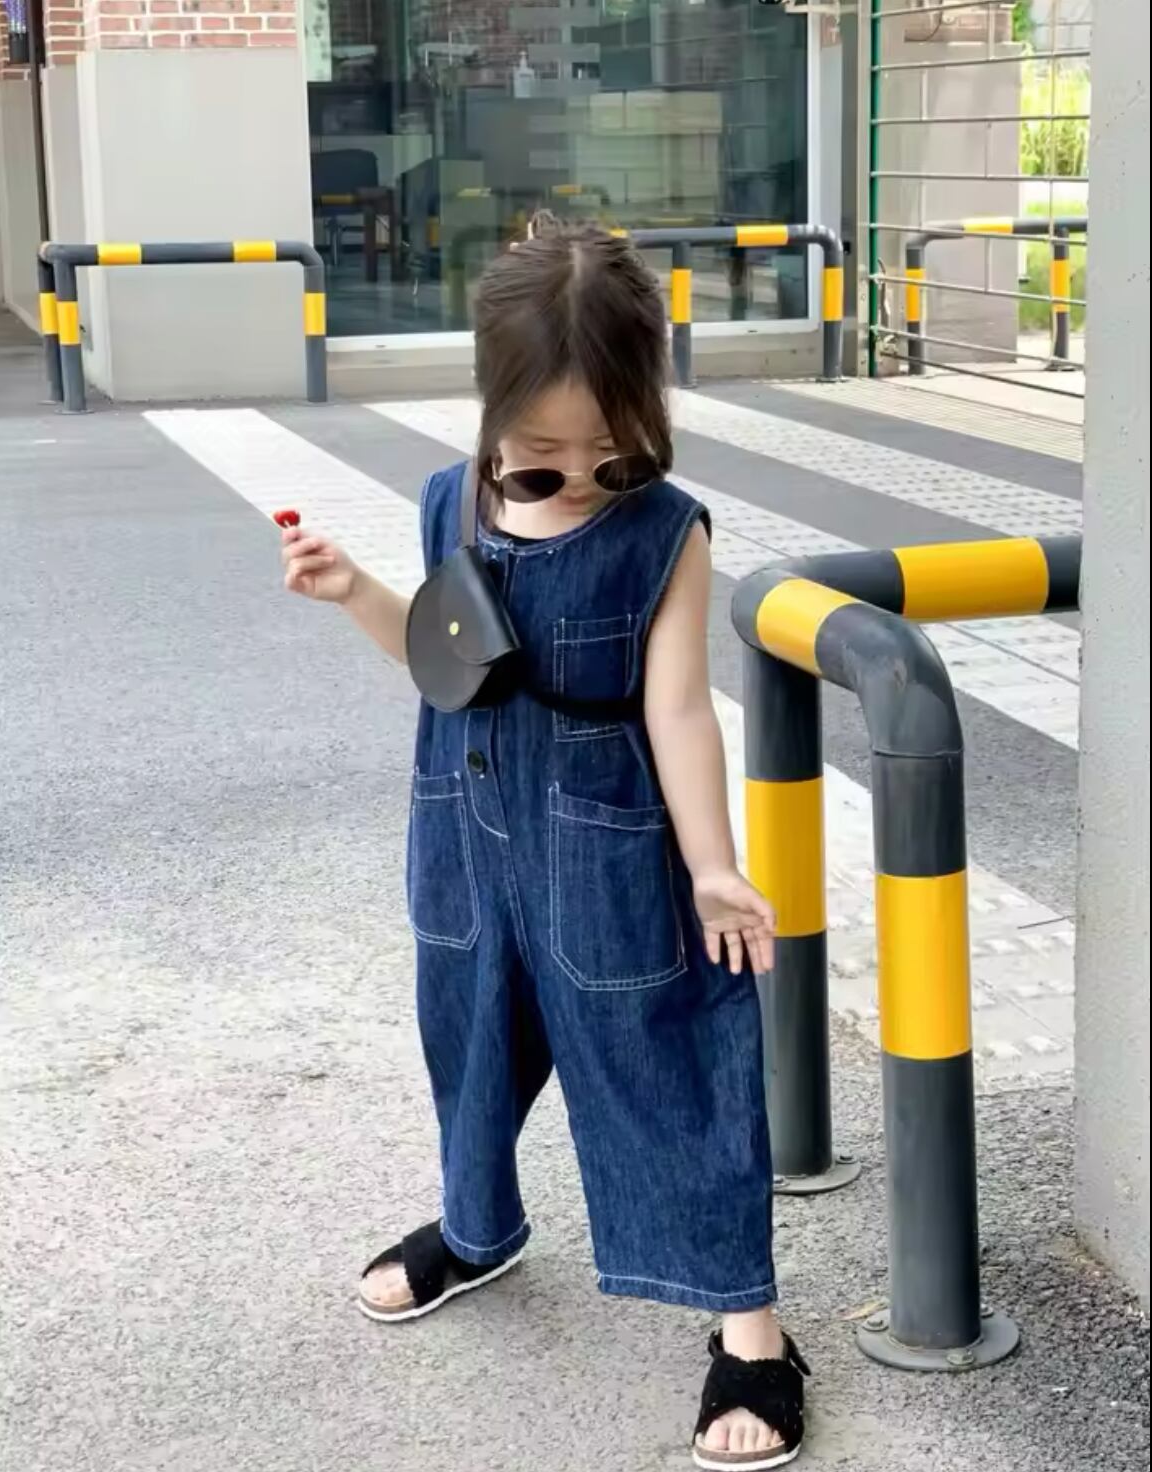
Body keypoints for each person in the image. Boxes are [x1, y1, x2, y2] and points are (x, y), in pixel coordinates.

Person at [278, 216, 809, 1470]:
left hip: (609, 853)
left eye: (609, 454)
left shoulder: (666, 532)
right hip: (465, 833)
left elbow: (679, 709)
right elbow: (443, 658)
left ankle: (753, 1329)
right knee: (468, 1046)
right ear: (490, 413)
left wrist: (713, 864)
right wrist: (356, 592)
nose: (577, 479)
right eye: (539, 457)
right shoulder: (446, 501)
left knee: (673, 1071)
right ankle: (476, 1229)